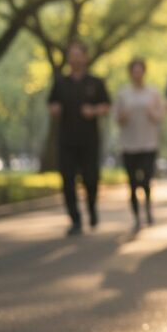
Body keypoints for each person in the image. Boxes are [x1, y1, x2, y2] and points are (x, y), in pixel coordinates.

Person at [47, 41, 111, 236]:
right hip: (67, 140)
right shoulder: (60, 82)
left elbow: (107, 105)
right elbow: (51, 104)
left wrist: (94, 110)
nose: (74, 58)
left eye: (77, 54)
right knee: (67, 180)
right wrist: (55, 110)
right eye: (71, 54)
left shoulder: (95, 82)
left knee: (91, 179)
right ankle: (75, 219)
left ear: (85, 57)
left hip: (89, 140)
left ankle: (91, 208)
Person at [115, 57, 164, 231]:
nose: (137, 74)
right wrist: (123, 116)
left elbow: (161, 116)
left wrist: (153, 114)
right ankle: (136, 216)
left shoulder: (153, 93)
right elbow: (116, 118)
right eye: (134, 70)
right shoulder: (123, 94)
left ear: (144, 71)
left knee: (146, 180)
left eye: (140, 70)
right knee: (132, 183)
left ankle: (148, 209)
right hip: (129, 145)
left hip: (149, 144)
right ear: (130, 73)